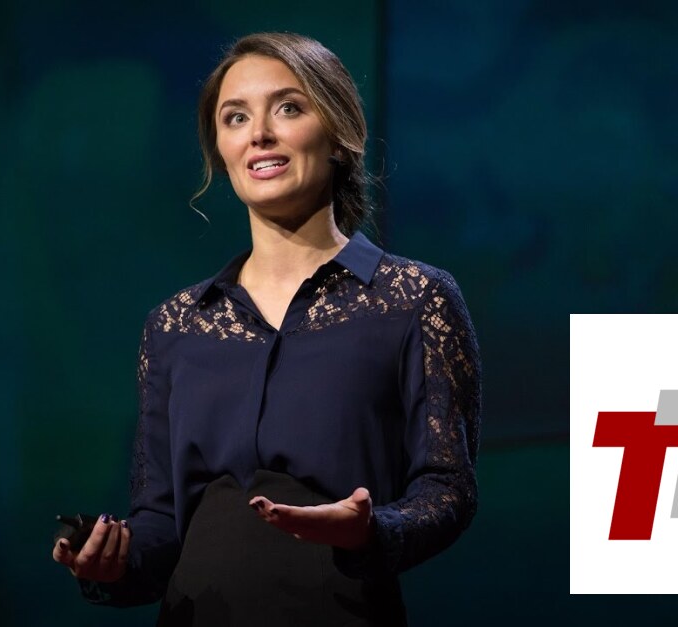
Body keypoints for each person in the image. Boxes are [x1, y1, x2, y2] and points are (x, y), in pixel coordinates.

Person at [52, 32, 481, 626]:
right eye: (236, 117)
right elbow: (161, 523)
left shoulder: (414, 298)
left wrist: (372, 530)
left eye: (288, 108)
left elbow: (448, 489)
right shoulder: (175, 326)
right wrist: (113, 561)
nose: (259, 134)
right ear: (221, 152)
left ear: (339, 133)